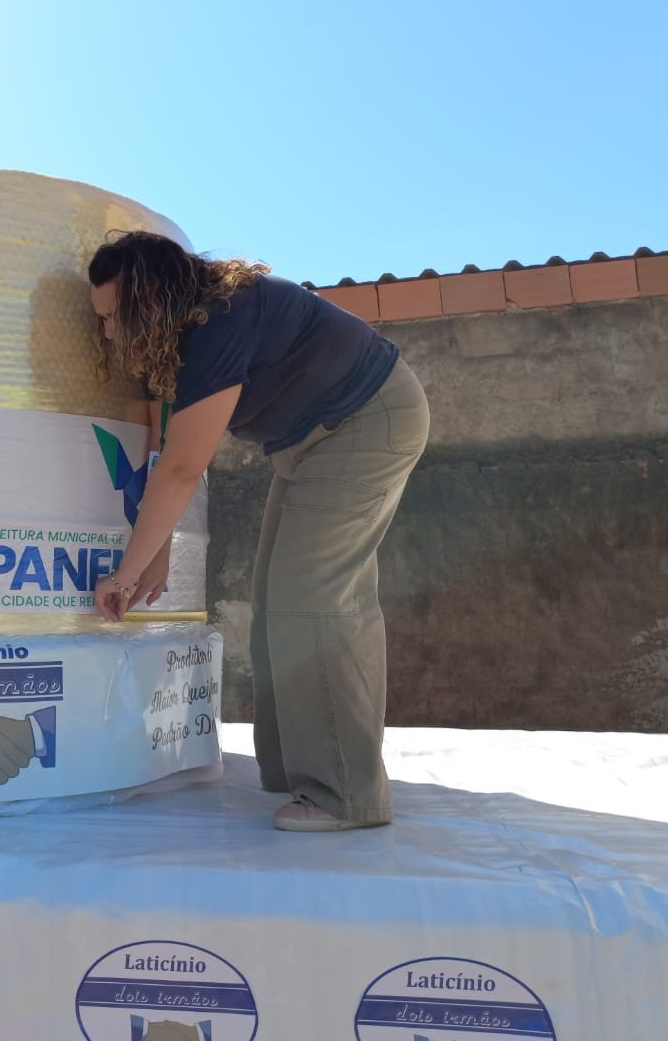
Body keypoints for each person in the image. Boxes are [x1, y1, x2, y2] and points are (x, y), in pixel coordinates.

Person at [86, 231, 429, 832]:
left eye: (115, 317)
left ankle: (345, 793)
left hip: (365, 422)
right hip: (308, 445)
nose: (108, 333)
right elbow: (166, 450)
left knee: (313, 599)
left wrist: (126, 570)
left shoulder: (220, 320)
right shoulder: (176, 341)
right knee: (277, 601)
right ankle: (298, 771)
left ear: (149, 302)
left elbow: (186, 468)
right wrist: (156, 551)